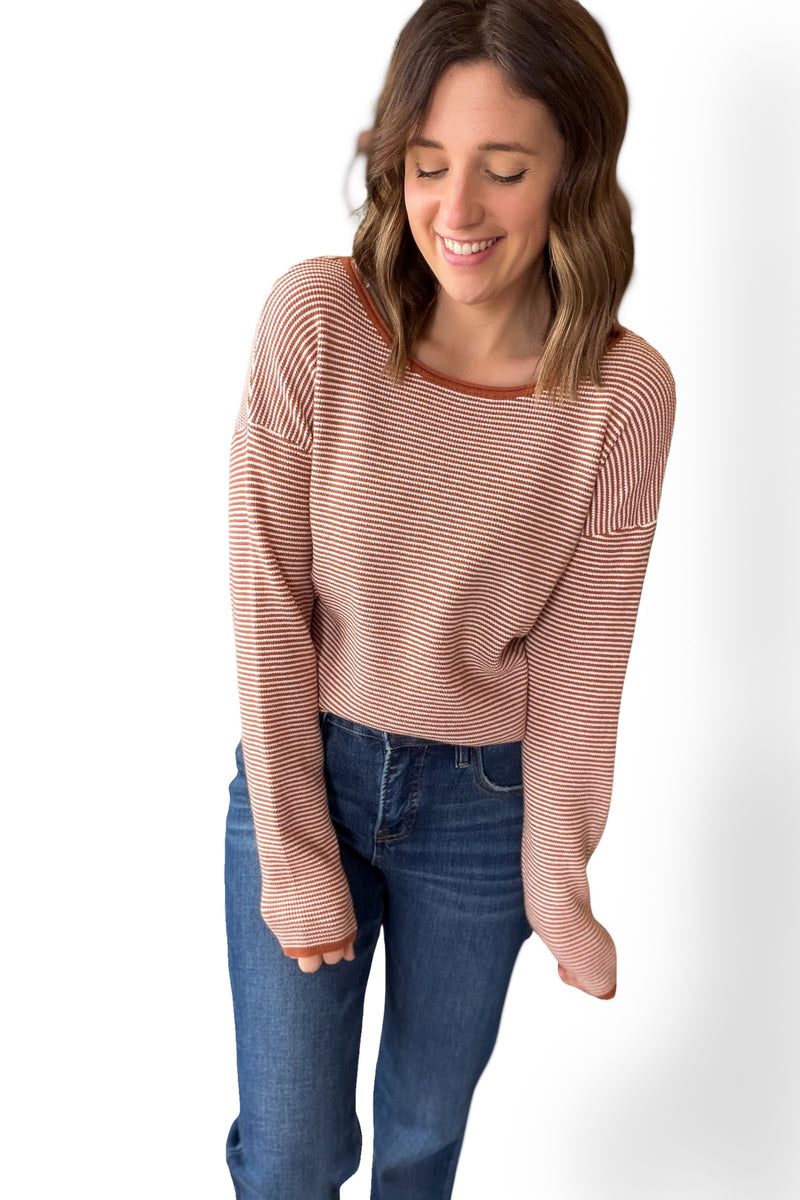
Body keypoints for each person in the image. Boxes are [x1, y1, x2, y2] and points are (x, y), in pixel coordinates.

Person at [224, 0, 677, 1195]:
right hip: (308, 767)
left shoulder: (623, 394)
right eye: (427, 166)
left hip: (484, 808)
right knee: (290, 1155)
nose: (456, 211)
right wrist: (293, 845)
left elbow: (581, 656)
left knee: (421, 1144)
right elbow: (268, 596)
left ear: (573, 170)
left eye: (503, 170)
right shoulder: (316, 320)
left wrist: (557, 877)